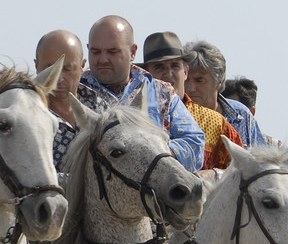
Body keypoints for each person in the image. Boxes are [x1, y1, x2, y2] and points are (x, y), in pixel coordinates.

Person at [80, 16, 205, 171]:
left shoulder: (162, 94)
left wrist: (151, 152)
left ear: (133, 52)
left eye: (113, 51)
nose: (103, 59)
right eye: (96, 51)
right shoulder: (76, 93)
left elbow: (195, 143)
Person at [140, 31, 243, 171]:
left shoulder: (217, 124)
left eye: (175, 66)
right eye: (159, 67)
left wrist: (214, 175)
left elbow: (243, 172)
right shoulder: (135, 118)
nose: (168, 74)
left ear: (186, 72)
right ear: (146, 75)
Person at [34, 29, 108, 169]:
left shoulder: (103, 109)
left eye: (67, 69)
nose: (59, 77)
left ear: (82, 66)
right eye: (50, 69)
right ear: (37, 66)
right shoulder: (27, 117)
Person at [183, 40, 267, 149]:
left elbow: (262, 161)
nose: (190, 88)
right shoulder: (174, 116)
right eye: (186, 79)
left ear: (219, 82)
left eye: (199, 80)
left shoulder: (241, 116)